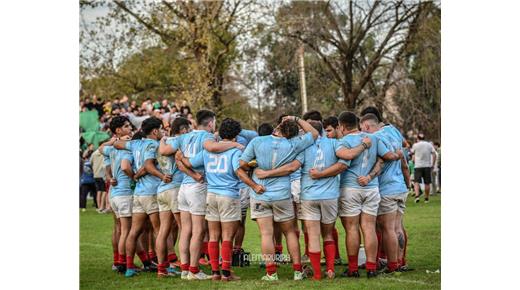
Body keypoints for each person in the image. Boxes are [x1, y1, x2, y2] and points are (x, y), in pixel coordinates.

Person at [160, 109, 244, 280]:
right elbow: (212, 147)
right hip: (197, 187)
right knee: (198, 231)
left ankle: (185, 269)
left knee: (186, 230)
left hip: (183, 186)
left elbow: (165, 151)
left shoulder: (184, 136)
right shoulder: (206, 136)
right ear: (211, 122)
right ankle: (193, 270)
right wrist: (235, 144)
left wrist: (162, 140)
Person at [238, 116, 320, 281]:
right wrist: (296, 118)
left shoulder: (257, 141)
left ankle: (271, 273)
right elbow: (315, 133)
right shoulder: (294, 143)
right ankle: (297, 272)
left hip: (260, 193)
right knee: (290, 232)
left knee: (266, 234)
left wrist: (255, 170)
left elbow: (242, 164)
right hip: (282, 194)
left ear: (277, 128)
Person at [177, 118, 258, 282]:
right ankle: (226, 273)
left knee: (213, 236)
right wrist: (254, 182)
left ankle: (215, 272)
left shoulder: (208, 151)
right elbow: (239, 171)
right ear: (236, 135)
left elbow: (190, 163)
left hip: (210, 195)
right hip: (228, 196)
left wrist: (181, 157)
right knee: (227, 236)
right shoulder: (235, 151)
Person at [336, 111, 400, 278]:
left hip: (350, 188)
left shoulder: (343, 141)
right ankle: (372, 267)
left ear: (342, 126)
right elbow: (386, 157)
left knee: (351, 229)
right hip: (371, 188)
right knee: (369, 228)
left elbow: (344, 156)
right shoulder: (374, 138)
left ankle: (353, 268)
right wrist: (397, 154)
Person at [112, 117, 167, 278]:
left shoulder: (135, 144)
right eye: (161, 129)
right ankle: (163, 268)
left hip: (138, 194)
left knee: (133, 231)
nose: (163, 133)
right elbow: (149, 165)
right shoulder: (154, 145)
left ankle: (129, 267)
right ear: (155, 131)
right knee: (159, 231)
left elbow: (117, 144)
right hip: (150, 191)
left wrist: (137, 174)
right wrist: (161, 175)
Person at [358, 113, 410, 274]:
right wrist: (407, 184)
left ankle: (392, 264)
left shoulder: (375, 138)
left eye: (362, 129)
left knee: (388, 229)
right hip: (400, 187)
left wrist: (368, 177)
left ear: (366, 126)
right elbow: (403, 155)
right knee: (397, 227)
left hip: (386, 188)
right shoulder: (393, 130)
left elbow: (380, 162)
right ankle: (400, 261)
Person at [154, 117, 191, 277]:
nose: (188, 132)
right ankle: (187, 267)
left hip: (162, 189)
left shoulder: (163, 141)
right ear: (182, 129)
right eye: (187, 129)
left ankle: (162, 269)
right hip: (175, 188)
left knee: (163, 230)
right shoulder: (179, 140)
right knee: (184, 228)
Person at [98, 116, 134, 273]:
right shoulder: (126, 147)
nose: (130, 129)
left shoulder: (110, 148)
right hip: (124, 192)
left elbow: (101, 151)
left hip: (113, 193)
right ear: (118, 130)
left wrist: (109, 177)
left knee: (118, 228)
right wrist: (135, 177)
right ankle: (123, 263)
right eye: (126, 126)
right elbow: (126, 167)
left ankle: (117, 261)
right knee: (126, 230)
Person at [411, 133, 436, 203]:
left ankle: (417, 196)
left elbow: (412, 154)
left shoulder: (415, 145)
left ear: (417, 138)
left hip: (418, 166)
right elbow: (434, 154)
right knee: (427, 183)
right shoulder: (429, 145)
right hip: (427, 166)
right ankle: (426, 198)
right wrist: (433, 164)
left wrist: (414, 162)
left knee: (416, 182)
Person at [91, 146, 108, 213]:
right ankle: (102, 207)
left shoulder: (94, 153)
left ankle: (98, 207)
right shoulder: (105, 153)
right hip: (103, 174)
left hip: (96, 174)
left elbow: (91, 162)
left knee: (98, 191)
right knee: (104, 191)